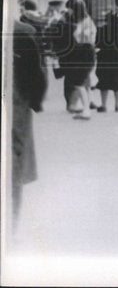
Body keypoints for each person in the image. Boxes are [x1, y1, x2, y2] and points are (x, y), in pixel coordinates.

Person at [12, 17, 47, 225]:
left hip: (17, 102)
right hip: (15, 105)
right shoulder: (22, 31)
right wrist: (35, 101)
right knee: (13, 162)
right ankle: (10, 225)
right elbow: (36, 73)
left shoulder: (22, 31)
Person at [58, 0, 97, 120]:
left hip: (84, 53)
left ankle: (86, 111)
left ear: (75, 9)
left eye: (69, 8)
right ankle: (84, 108)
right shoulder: (85, 21)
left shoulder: (85, 23)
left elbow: (83, 40)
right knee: (84, 82)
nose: (68, 11)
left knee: (79, 83)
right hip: (85, 53)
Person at [94, 11, 118, 113]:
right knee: (117, 81)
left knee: (103, 82)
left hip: (104, 58)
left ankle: (103, 105)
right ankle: (117, 105)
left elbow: (97, 44)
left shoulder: (101, 29)